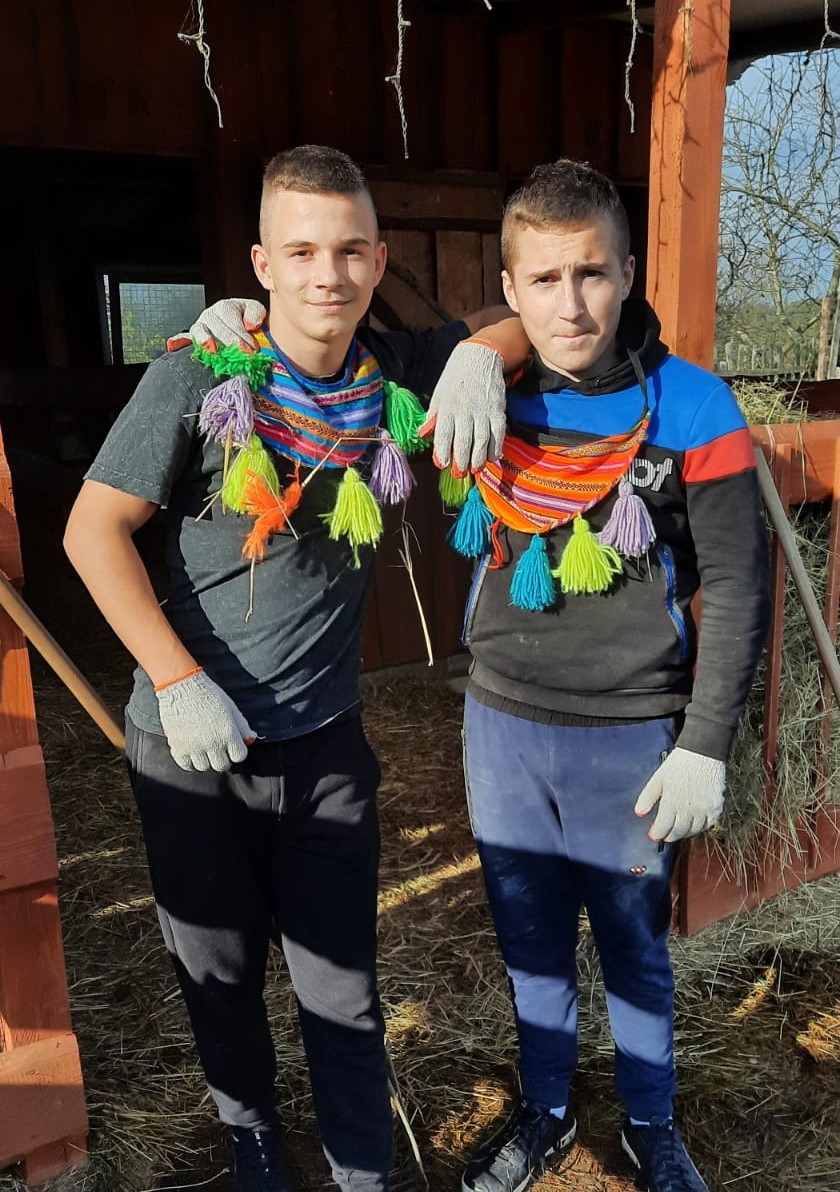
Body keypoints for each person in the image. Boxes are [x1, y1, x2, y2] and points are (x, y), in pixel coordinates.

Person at [187, 158, 770, 1192]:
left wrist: (707, 742)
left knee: (634, 944)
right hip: (503, 726)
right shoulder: (476, 390)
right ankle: (545, 1111)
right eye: (542, 279)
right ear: (509, 287)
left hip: (633, 735)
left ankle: (651, 1121)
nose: (570, 303)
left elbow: (735, 582)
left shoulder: (697, 409)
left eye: (591, 273)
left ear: (628, 273)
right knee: (528, 939)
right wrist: (236, 322)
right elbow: (322, 358)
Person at [63, 144, 519, 1192]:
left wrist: (480, 358)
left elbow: (525, 319)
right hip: (190, 745)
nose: (329, 273)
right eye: (302, 252)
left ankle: (363, 1170)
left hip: (322, 748)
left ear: (379, 260)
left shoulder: (395, 372)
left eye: (351, 250)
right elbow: (92, 532)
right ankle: (254, 1140)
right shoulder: (200, 374)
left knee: (342, 983)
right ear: (263, 265)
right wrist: (177, 679)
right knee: (218, 970)